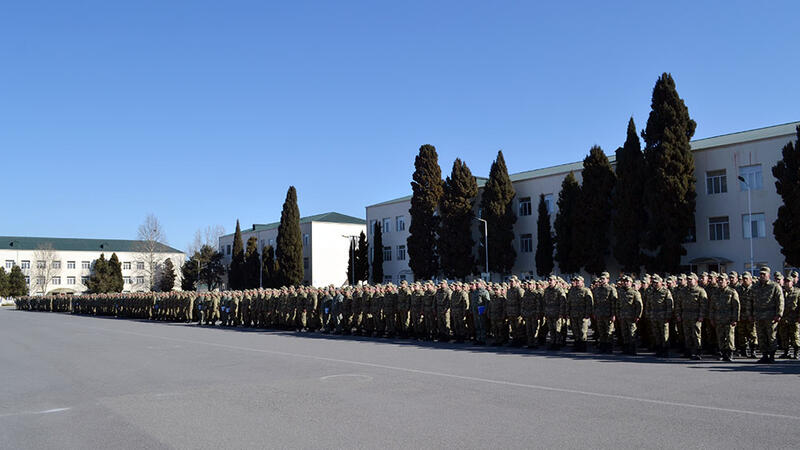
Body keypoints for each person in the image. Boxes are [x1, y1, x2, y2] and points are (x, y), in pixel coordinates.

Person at [752, 267, 784, 363]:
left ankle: (772, 356)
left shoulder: (774, 286)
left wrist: (779, 314)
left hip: (771, 316)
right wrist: (750, 314)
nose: (762, 276)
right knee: (761, 336)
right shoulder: (755, 286)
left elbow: (780, 301)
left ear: (768, 275)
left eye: (764, 274)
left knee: (771, 336)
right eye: (761, 274)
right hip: (758, 315)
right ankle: (764, 355)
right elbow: (750, 301)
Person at [617, 275, 643, 355]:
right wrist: (618, 314)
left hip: (631, 316)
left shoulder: (634, 292)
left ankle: (632, 350)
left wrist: (638, 316)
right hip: (623, 316)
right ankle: (626, 349)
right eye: (624, 282)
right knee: (624, 333)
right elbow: (618, 304)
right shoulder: (620, 292)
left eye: (627, 281)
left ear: (631, 283)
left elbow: (639, 305)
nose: (626, 283)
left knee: (632, 333)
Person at [566, 275, 593, 351]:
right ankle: (577, 345)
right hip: (573, 314)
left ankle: (583, 346)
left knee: (582, 331)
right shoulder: (572, 290)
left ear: (582, 282)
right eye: (576, 281)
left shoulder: (586, 290)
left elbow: (589, 304)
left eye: (578, 281)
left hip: (582, 315)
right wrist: (568, 313)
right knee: (575, 330)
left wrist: (587, 314)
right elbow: (569, 302)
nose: (577, 282)